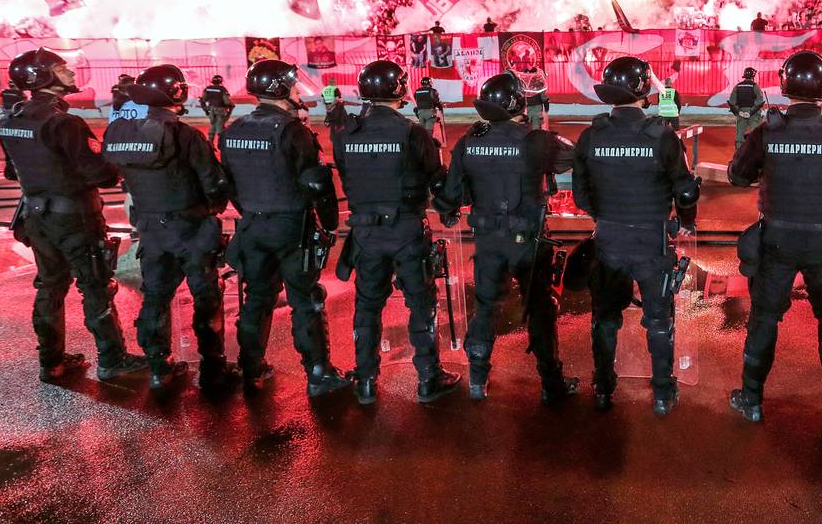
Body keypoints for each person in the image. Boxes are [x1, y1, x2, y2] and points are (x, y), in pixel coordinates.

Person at [727, 51, 822, 426]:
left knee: (764, 319)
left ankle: (752, 399)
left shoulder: (767, 131)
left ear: (783, 84)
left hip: (776, 242)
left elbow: (738, 177)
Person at [0, 48, 147, 383]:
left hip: (35, 217)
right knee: (95, 286)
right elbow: (101, 174)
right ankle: (112, 359)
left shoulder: (10, 121)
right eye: (61, 68)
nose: (70, 72)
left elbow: (12, 172)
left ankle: (51, 361)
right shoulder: (65, 122)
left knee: (50, 287)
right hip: (75, 218)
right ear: (44, 77)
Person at [434, 72, 578, 403]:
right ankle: (551, 383)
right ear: (518, 103)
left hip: (487, 240)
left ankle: (477, 378)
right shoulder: (535, 141)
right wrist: (539, 130)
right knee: (539, 309)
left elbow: (450, 194)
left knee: (485, 307)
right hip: (528, 241)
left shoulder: (470, 140)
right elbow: (574, 157)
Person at [572, 56, 700, 415]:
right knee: (659, 320)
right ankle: (662, 393)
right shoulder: (662, 135)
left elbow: (581, 196)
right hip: (652, 242)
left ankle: (603, 388)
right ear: (644, 89)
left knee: (605, 317)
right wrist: (686, 220)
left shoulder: (591, 135)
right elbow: (686, 191)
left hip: (609, 239)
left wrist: (607, 217)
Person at [331, 60, 461, 405]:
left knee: (367, 306)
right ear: (400, 91)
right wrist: (449, 210)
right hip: (406, 231)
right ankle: (428, 379)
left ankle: (366, 382)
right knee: (421, 304)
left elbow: (344, 176)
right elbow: (437, 180)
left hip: (365, 234)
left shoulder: (348, 133)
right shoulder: (412, 132)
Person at [102, 65, 238, 391]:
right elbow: (215, 183)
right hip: (190, 227)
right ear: (176, 92)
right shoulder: (185, 135)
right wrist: (213, 208)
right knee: (206, 296)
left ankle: (158, 367)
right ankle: (213, 368)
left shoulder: (122, 133)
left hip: (149, 227)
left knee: (156, 296)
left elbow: (109, 174)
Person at [219, 59, 350, 398]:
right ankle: (318, 373)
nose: (296, 90)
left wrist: (249, 211)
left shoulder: (233, 130)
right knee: (305, 300)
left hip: (252, 227)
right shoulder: (292, 131)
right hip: (291, 227)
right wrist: (330, 226)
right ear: (279, 89)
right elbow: (317, 184)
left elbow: (227, 184)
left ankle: (251, 367)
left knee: (257, 299)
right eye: (291, 85)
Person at [728, 67, 765, 149]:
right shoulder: (755, 87)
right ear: (753, 76)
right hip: (753, 114)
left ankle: (738, 155)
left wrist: (739, 112)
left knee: (739, 136)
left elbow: (732, 102)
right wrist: (750, 112)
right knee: (755, 135)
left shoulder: (738, 86)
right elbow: (759, 102)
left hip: (740, 113)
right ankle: (755, 154)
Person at [199, 75, 234, 145]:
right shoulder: (222, 89)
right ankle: (221, 143)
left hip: (211, 110)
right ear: (220, 81)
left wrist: (205, 109)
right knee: (219, 127)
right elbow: (227, 101)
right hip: (221, 110)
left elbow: (203, 100)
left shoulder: (208, 89)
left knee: (214, 125)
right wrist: (231, 106)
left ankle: (210, 143)